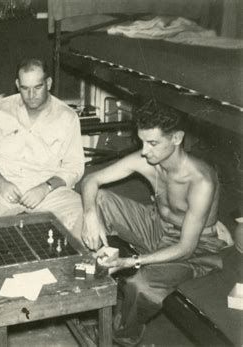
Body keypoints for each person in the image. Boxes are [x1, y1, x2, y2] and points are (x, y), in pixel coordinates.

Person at [80, 100, 233, 345]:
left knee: (141, 285)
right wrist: (90, 215)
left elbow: (185, 248)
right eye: (142, 142)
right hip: (157, 226)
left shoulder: (200, 180)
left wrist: (130, 261)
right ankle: (96, 277)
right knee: (100, 199)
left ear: (177, 138)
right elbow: (91, 181)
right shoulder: (148, 161)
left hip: (195, 248)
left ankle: (122, 335)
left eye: (152, 143)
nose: (143, 151)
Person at [0, 58, 85, 238]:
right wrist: (0, 182)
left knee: (83, 220)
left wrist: (45, 187)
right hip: (1, 189)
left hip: (48, 192)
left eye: (37, 87)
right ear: (17, 85)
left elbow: (74, 167)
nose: (31, 95)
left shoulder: (67, 117)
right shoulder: (0, 109)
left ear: (49, 83)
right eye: (24, 88)